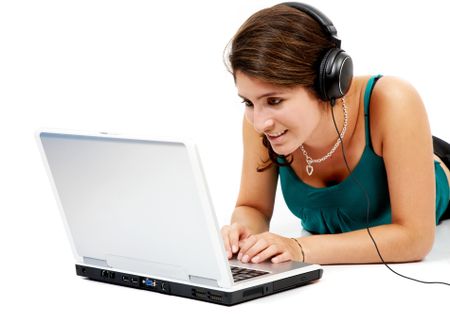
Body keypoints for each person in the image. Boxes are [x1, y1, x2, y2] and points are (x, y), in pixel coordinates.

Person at [220, 2, 450, 265]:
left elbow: (415, 239)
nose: (259, 123)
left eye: (274, 101)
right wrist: (245, 235)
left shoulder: (392, 101)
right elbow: (253, 207)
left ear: (326, 83)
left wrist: (300, 249)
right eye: (248, 102)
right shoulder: (263, 124)